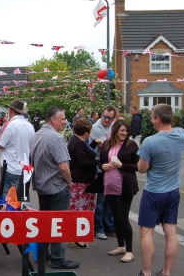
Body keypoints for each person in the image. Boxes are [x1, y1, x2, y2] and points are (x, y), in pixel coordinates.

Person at [136, 104, 184, 276]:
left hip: (154, 192)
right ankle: (166, 272)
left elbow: (142, 169)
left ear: (157, 119)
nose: (151, 119)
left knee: (146, 232)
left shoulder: (150, 141)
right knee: (171, 232)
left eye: (151, 116)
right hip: (173, 191)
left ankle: (147, 272)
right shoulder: (181, 134)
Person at [30, 106, 79, 270]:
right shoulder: (55, 138)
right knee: (59, 224)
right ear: (53, 119)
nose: (64, 122)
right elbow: (63, 167)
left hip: (42, 186)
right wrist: (70, 182)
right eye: (62, 119)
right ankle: (58, 259)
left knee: (45, 223)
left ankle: (44, 254)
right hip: (56, 186)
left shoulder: (37, 135)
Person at [98, 120, 139, 263]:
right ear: (115, 130)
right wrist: (102, 166)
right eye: (122, 130)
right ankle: (120, 246)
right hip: (109, 186)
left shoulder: (131, 145)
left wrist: (122, 165)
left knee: (122, 218)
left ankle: (129, 251)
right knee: (114, 217)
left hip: (124, 187)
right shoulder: (107, 144)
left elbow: (139, 166)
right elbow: (100, 161)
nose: (124, 133)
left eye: (126, 131)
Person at [0, 98, 35, 197]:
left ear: (11, 110)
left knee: (8, 199)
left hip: (11, 167)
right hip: (25, 167)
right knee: (22, 197)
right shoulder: (30, 126)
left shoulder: (11, 125)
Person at [67, 118, 97, 249]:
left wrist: (94, 144)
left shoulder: (74, 141)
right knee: (81, 210)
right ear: (86, 132)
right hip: (82, 181)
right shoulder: (79, 143)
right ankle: (77, 238)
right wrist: (98, 162)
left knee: (77, 208)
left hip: (78, 180)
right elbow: (83, 161)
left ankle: (75, 236)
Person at [90, 104, 117, 240]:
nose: (107, 120)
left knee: (109, 199)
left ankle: (109, 227)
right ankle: (98, 228)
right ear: (101, 115)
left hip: (111, 168)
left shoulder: (113, 127)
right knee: (100, 201)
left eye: (110, 118)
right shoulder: (96, 128)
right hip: (99, 168)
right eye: (105, 117)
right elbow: (107, 145)